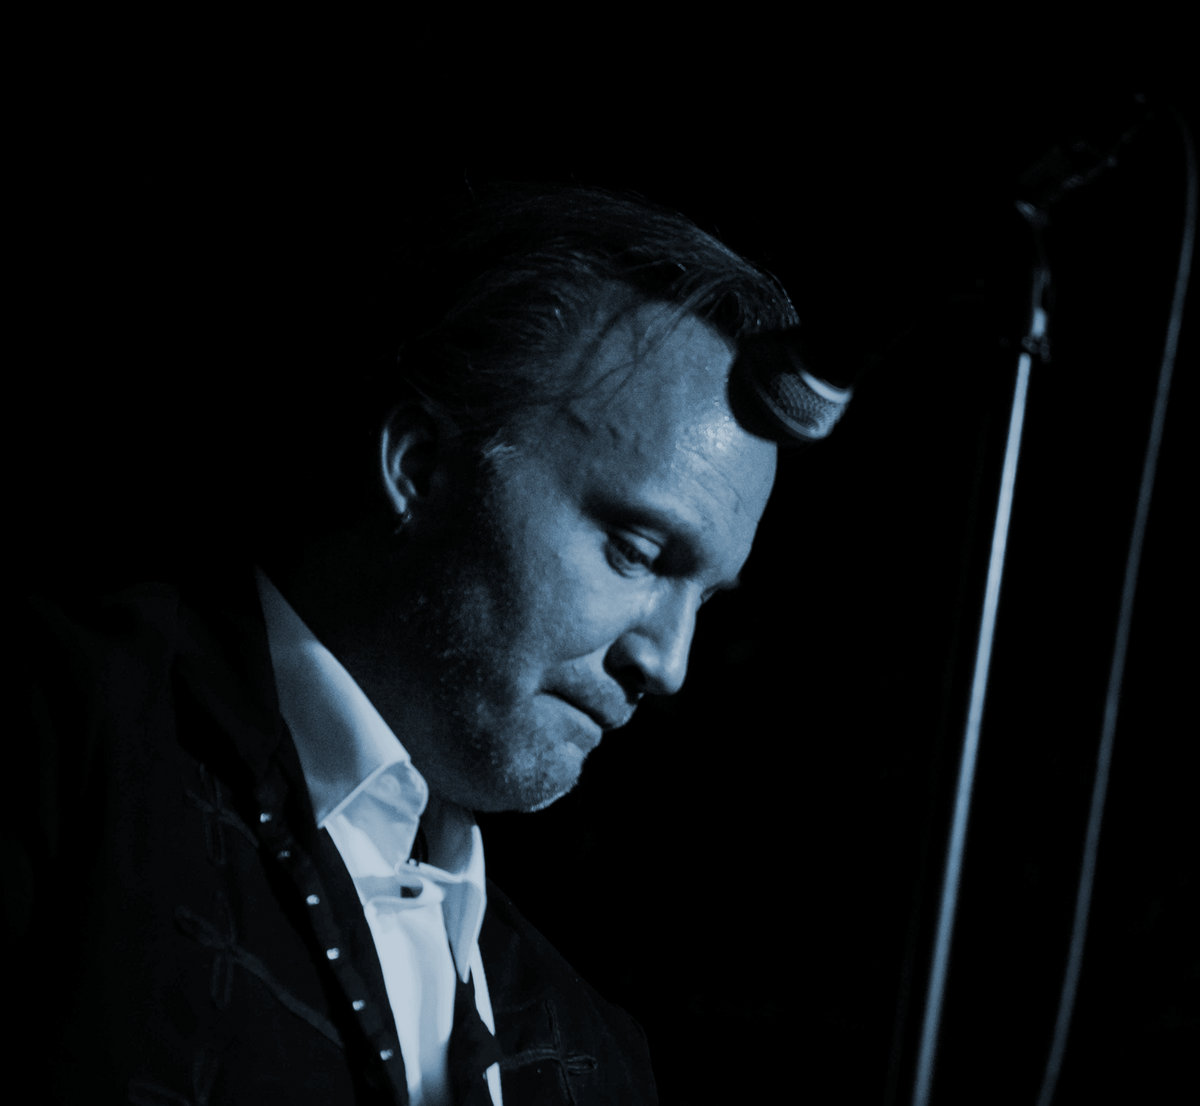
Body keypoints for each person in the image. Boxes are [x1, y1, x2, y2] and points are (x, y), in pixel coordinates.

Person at [10, 183, 828, 1104]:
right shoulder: (53, 729)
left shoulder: (598, 1057)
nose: (669, 664)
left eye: (705, 598)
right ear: (423, 467)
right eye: (636, 553)